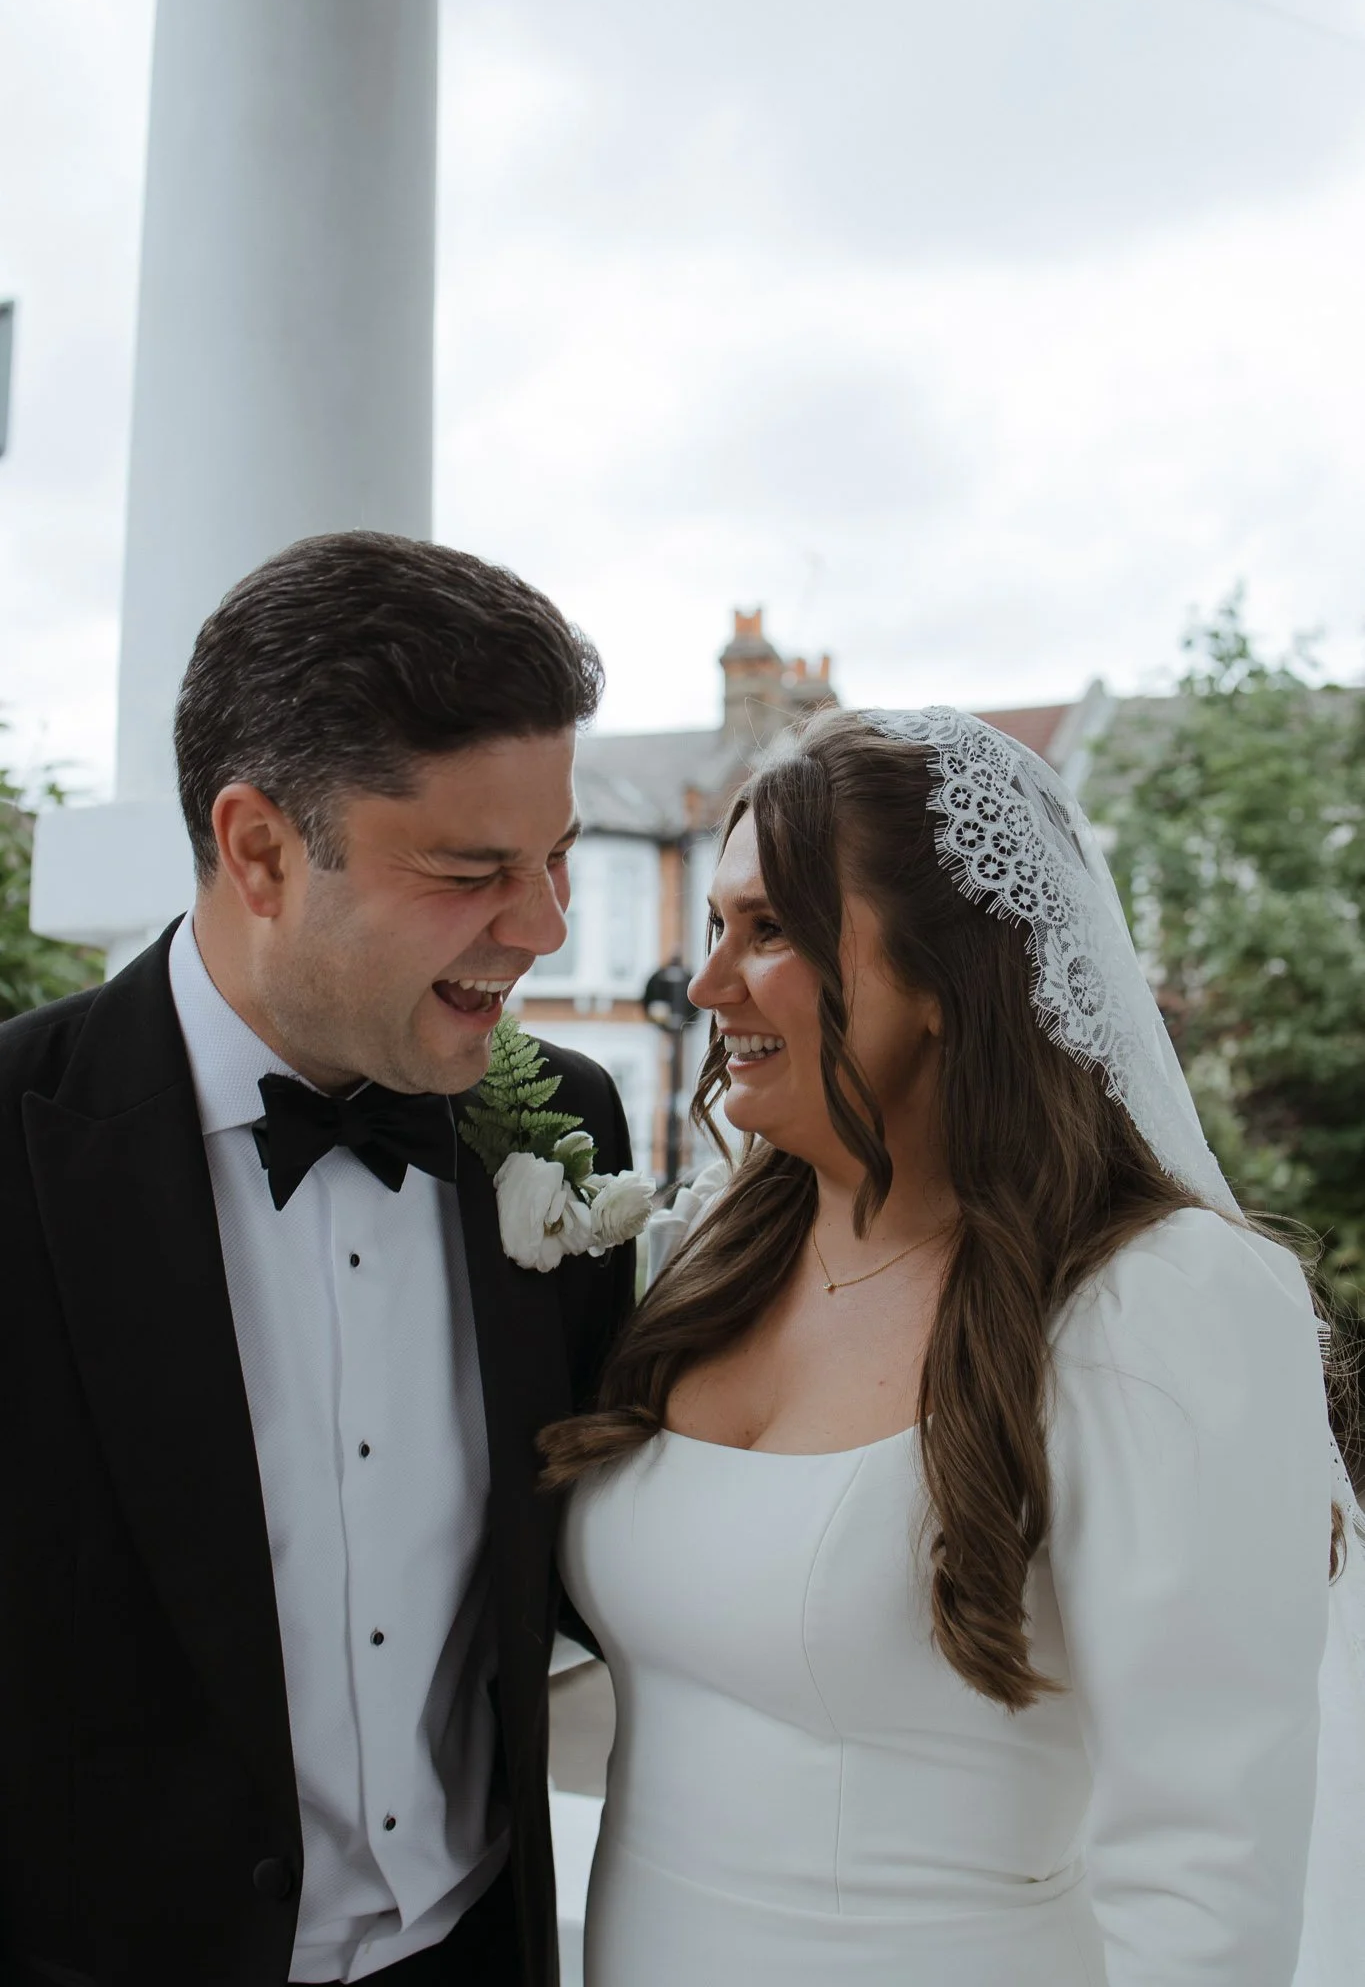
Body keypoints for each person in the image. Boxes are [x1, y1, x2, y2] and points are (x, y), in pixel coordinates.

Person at [547, 706, 1365, 1986]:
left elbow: (1204, 1867)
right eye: (717, 925)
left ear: (942, 979)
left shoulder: (1153, 1304)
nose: (708, 984)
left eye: (772, 931)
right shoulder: (712, 1255)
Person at [0, 533, 639, 1987]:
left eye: (557, 863)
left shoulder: (568, 1129)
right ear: (260, 850)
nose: (541, 929)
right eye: (475, 872)